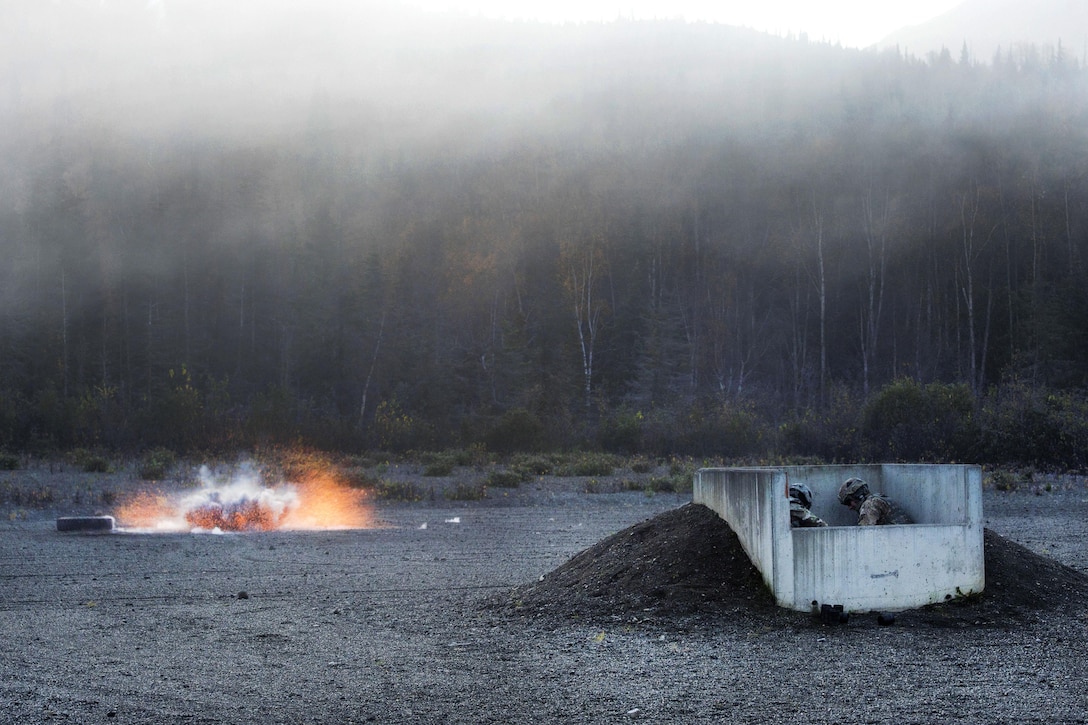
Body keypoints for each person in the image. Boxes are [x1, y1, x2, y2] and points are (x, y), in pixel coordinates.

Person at [837, 477, 913, 525]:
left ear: (858, 495)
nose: (849, 507)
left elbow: (863, 535)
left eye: (848, 502)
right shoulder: (876, 498)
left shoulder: (869, 505)